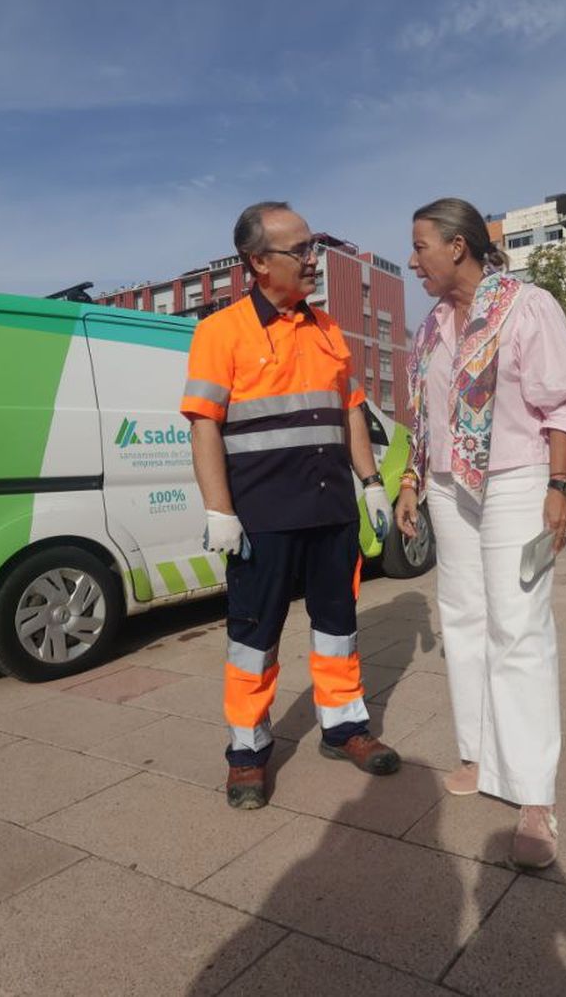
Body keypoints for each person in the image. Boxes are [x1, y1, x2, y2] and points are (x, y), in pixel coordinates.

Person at [181, 201, 401, 810]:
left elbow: (351, 408)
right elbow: (203, 427)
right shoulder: (219, 332)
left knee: (338, 629)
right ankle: (248, 754)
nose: (312, 260)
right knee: (254, 637)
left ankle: (345, 728)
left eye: (312, 248)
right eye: (299, 250)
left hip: (332, 511)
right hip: (262, 519)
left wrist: (371, 482)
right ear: (257, 262)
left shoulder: (329, 330)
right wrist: (218, 510)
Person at [395, 197, 566, 868]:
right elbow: (422, 416)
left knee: (518, 625)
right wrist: (411, 483)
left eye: (420, 245)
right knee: (465, 617)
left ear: (458, 245)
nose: (412, 259)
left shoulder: (525, 305)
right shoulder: (429, 329)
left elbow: (563, 400)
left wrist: (559, 487)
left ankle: (535, 794)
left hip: (513, 477)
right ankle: (480, 753)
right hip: (448, 485)